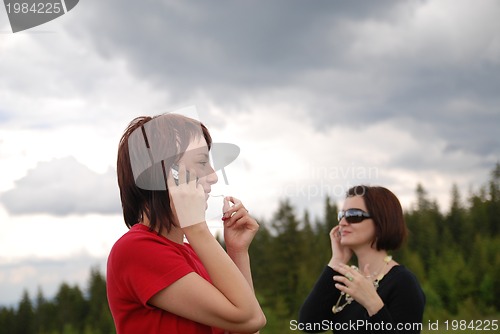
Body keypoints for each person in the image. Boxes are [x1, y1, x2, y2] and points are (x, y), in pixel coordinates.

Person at [107, 113, 266, 334]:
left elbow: (247, 328)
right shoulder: (136, 249)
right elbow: (250, 318)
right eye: (202, 162)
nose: (213, 176)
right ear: (164, 174)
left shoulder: (193, 254)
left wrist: (237, 252)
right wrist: (195, 226)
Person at [298, 185, 425, 333]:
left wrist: (373, 304)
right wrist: (338, 260)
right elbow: (309, 324)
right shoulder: (349, 281)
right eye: (341, 215)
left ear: (380, 221)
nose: (342, 223)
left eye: (353, 215)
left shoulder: (403, 282)